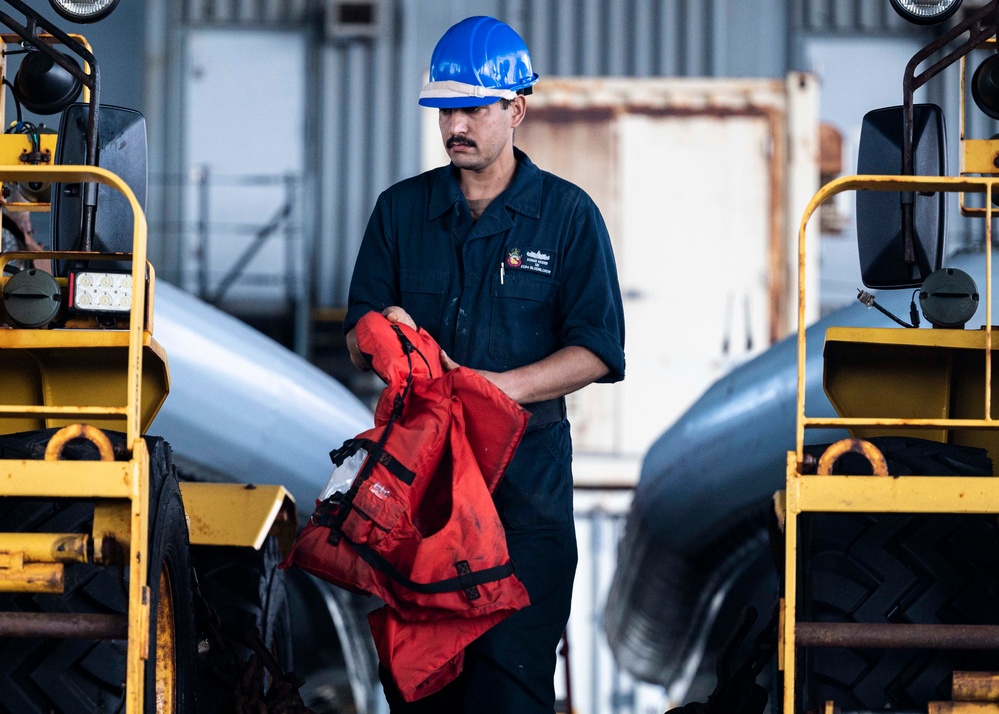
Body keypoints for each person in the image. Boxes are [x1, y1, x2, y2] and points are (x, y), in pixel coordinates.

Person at [342, 15, 625, 713]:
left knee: (507, 689)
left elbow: (596, 349)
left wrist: (492, 390)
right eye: (445, 109)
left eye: (471, 107)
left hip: (523, 501)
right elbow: (358, 331)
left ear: (515, 110)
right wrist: (383, 332)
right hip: (421, 496)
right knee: (419, 684)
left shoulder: (566, 217)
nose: (454, 125)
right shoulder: (400, 212)